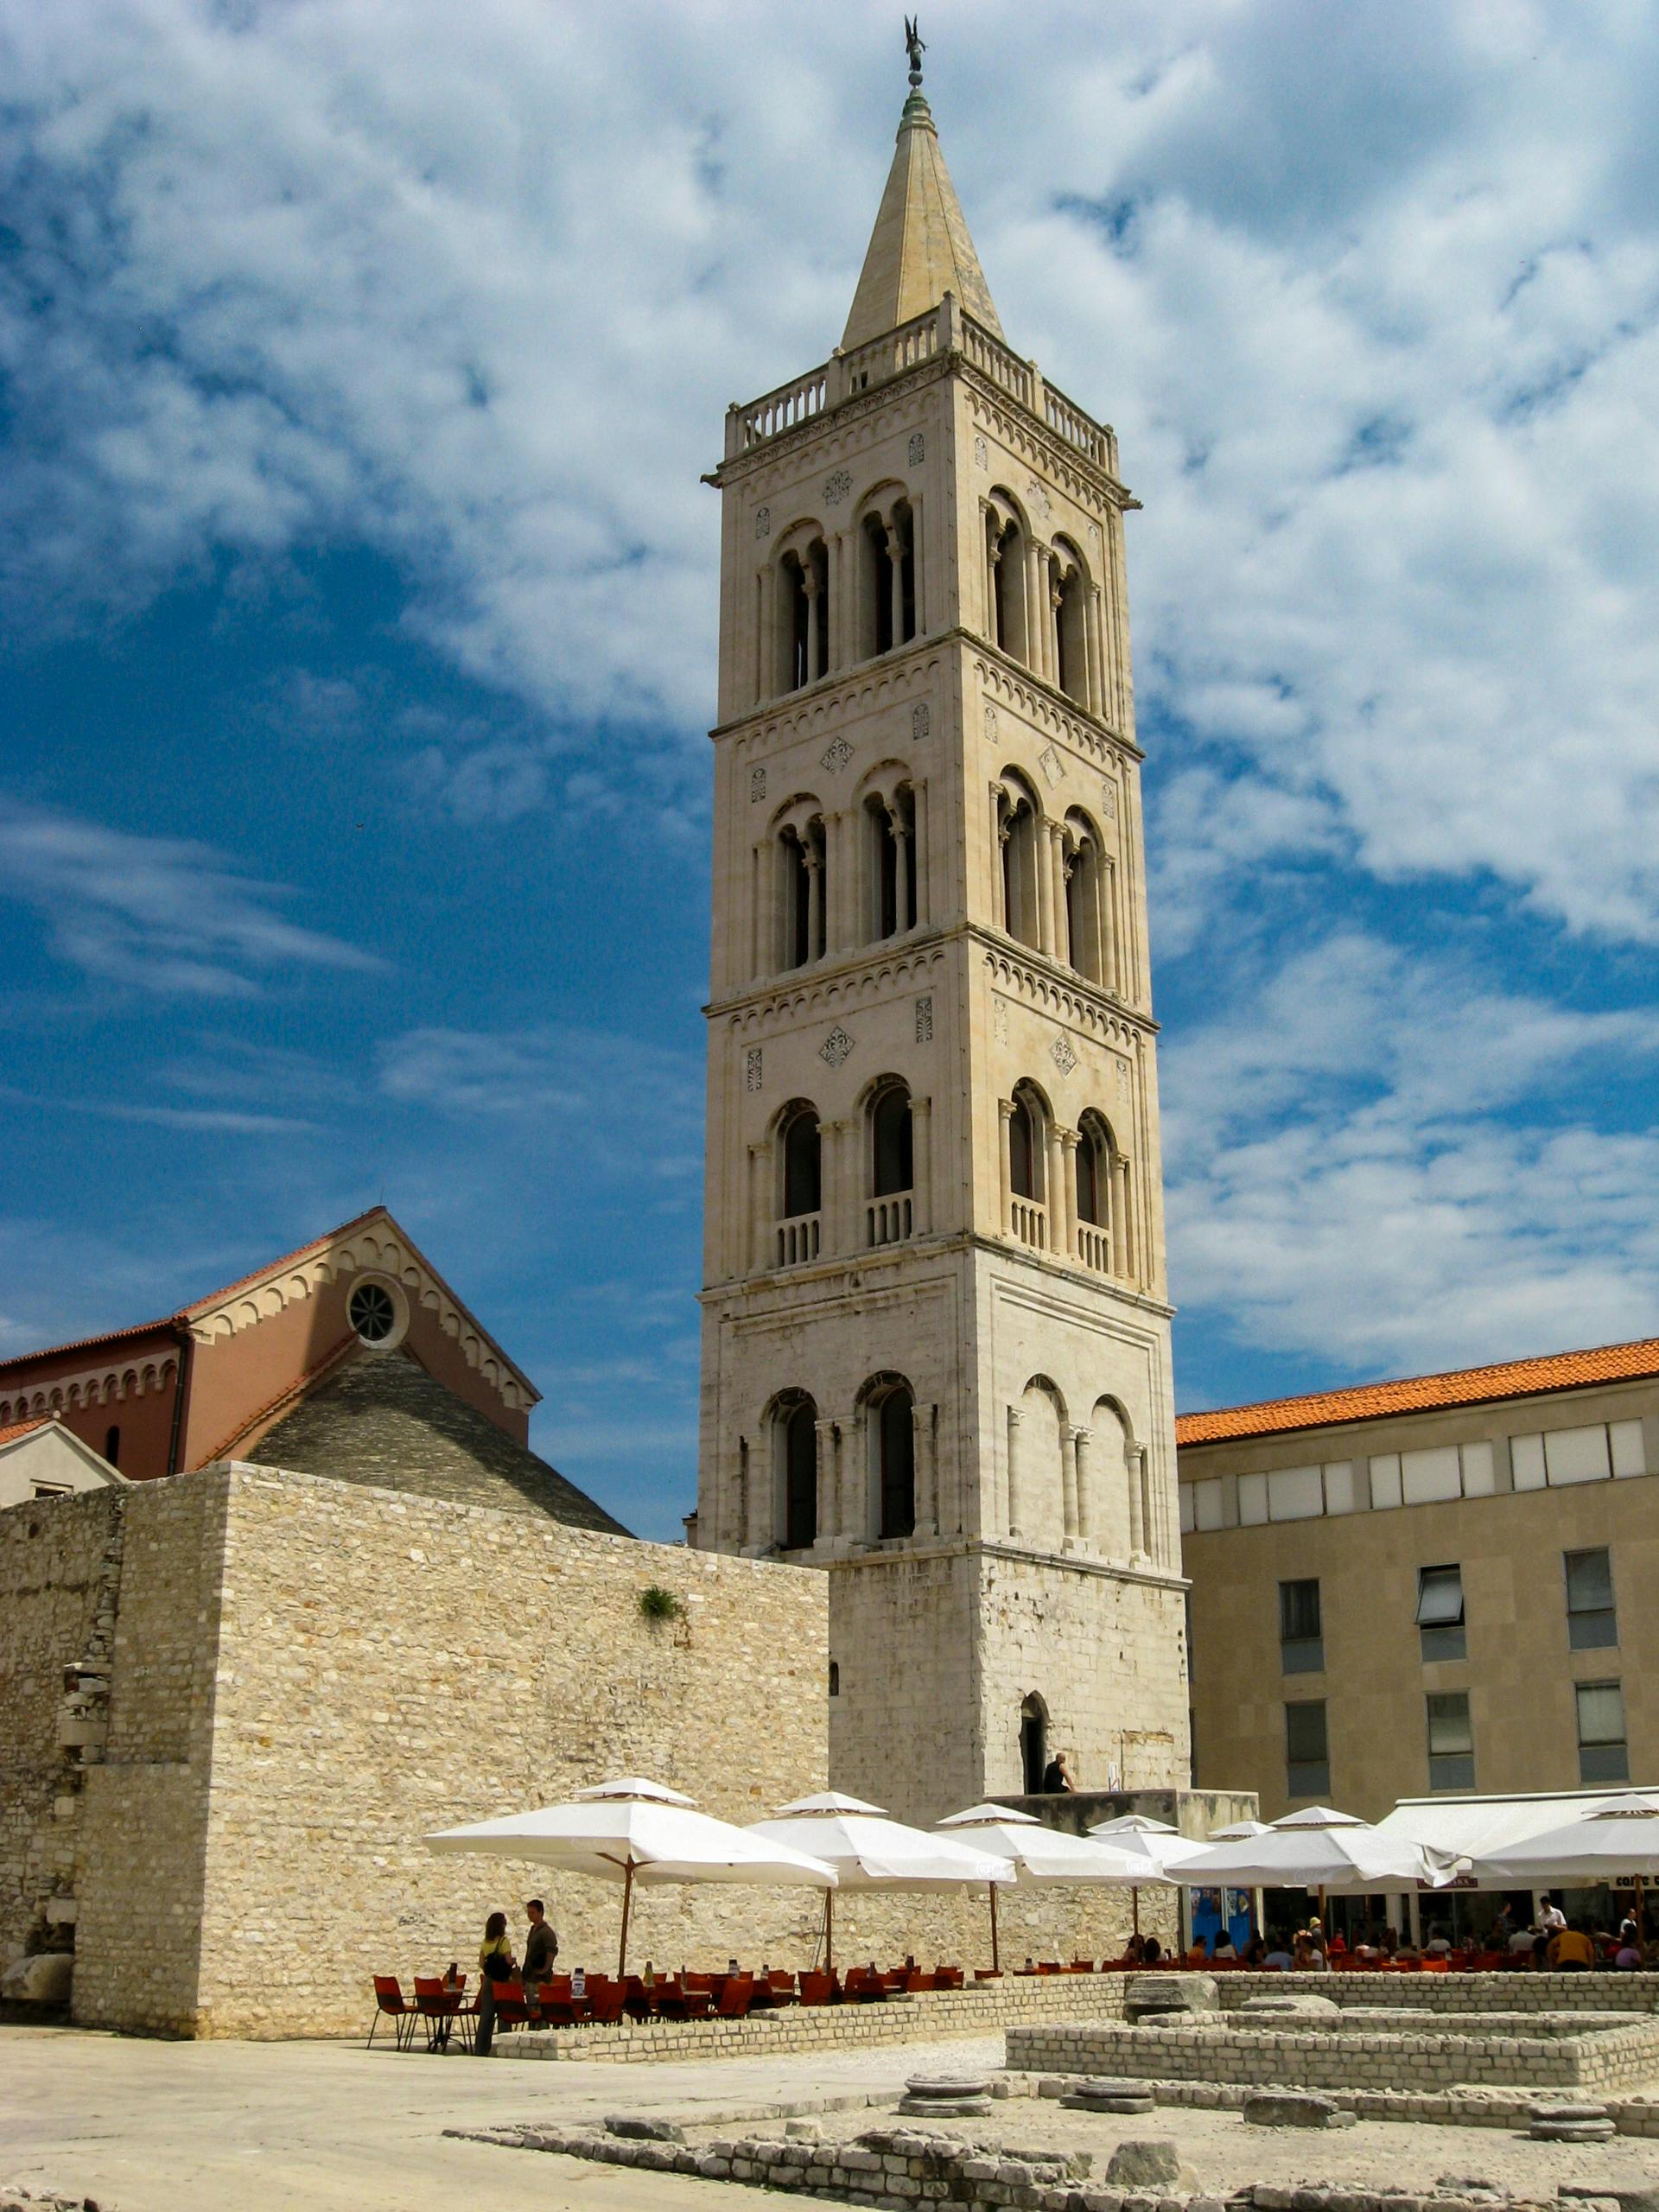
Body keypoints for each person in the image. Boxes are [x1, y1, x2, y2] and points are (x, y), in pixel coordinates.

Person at [474, 1910, 516, 2057]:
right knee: (505, 2014)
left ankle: (481, 2048)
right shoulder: (504, 1942)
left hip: (489, 1981)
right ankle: (506, 2047)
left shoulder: (485, 1943)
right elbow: (508, 1961)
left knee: (486, 2016)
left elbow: (480, 1962)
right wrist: (514, 1961)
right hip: (503, 1982)